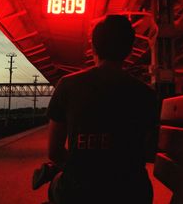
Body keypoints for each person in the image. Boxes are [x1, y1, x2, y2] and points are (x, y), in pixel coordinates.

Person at [35, 15, 157, 204]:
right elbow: (149, 151)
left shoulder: (68, 85)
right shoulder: (146, 94)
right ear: (129, 50)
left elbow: (55, 152)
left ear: (94, 48)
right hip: (132, 193)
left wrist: (82, 165)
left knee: (56, 184)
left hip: (78, 192)